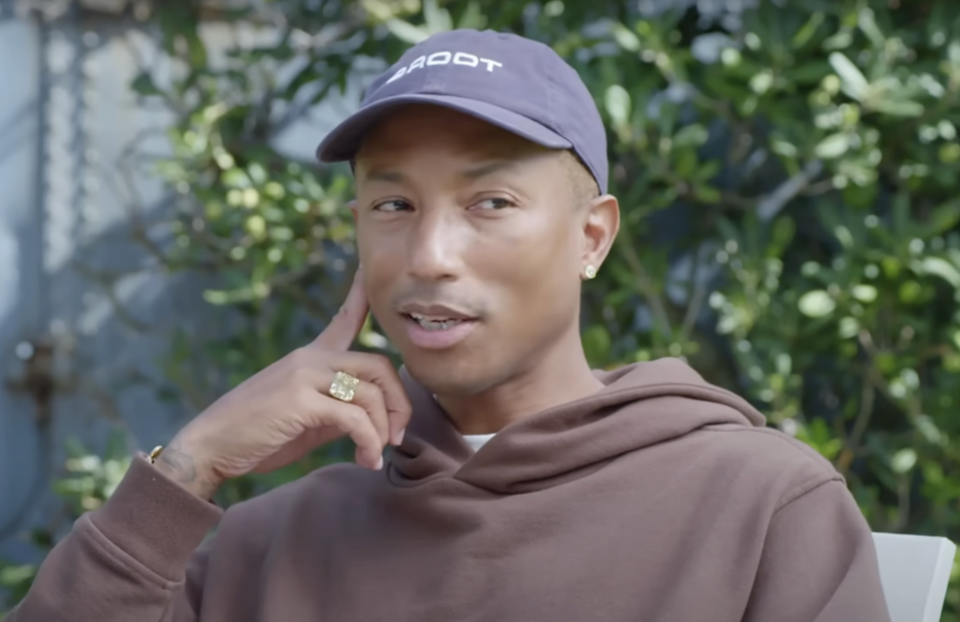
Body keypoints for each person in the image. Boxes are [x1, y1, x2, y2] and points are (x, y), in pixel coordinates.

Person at [7, 29, 891, 622]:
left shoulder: (760, 505)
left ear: (592, 236)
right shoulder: (269, 542)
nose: (428, 253)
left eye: (491, 201)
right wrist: (190, 468)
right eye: (393, 202)